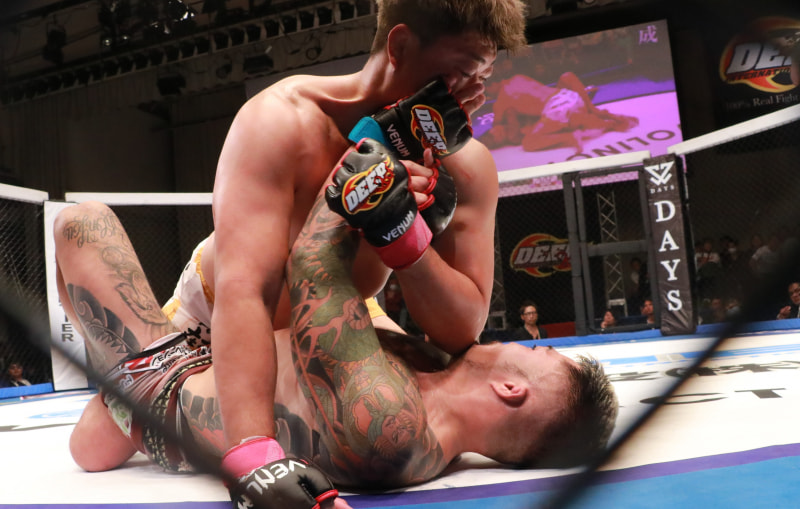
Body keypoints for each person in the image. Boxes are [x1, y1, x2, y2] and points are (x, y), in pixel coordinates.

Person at [55, 196, 618, 503]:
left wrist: (364, 182)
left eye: (542, 354)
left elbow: (314, 264)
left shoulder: (391, 419)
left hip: (167, 389)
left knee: (80, 222)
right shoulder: (439, 379)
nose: (521, 343)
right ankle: (110, 401)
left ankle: (115, 393)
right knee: (89, 449)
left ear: (511, 388)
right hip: (227, 357)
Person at [202, 0, 529, 487]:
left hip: (339, 311)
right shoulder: (280, 121)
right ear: (400, 46)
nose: (474, 95)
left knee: (412, 402)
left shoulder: (466, 167)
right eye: (463, 73)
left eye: (484, 76)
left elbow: (460, 331)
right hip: (213, 313)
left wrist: (405, 236)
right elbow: (245, 289)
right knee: (99, 444)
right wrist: (255, 458)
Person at [480, 70, 638, 154]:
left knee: (528, 143)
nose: (488, 96)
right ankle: (596, 111)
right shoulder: (517, 77)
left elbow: (499, 129)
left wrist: (501, 127)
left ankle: (573, 136)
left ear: (490, 85)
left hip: (558, 109)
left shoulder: (500, 103)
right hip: (570, 96)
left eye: (486, 92)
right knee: (566, 76)